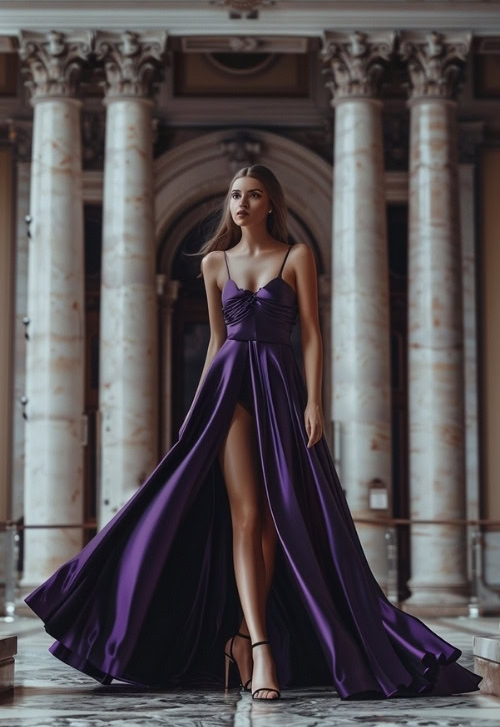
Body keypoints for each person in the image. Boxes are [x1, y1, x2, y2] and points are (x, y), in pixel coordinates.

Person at [24, 164, 482, 701]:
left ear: (271, 203)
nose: (241, 203)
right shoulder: (215, 262)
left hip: (280, 388)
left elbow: (311, 334)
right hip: (229, 394)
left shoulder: (296, 256)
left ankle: (241, 636)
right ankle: (261, 649)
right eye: (235, 195)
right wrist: (199, 412)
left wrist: (315, 400)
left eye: (253, 195)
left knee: (277, 516)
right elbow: (218, 342)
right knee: (245, 516)